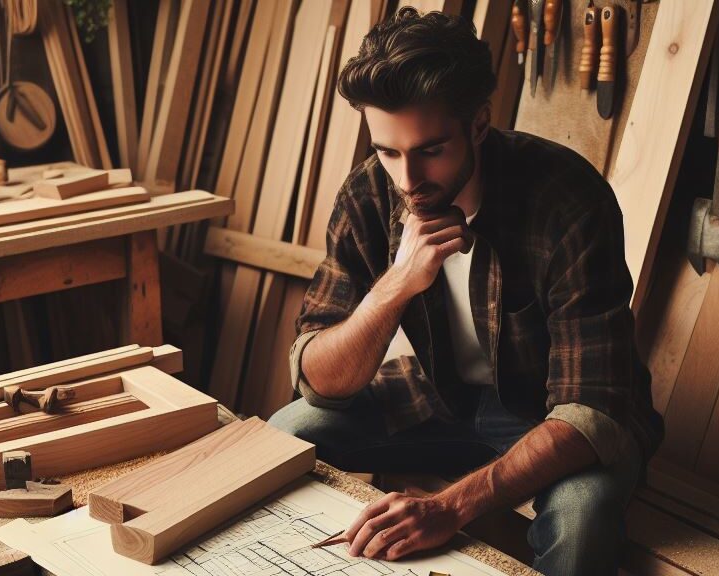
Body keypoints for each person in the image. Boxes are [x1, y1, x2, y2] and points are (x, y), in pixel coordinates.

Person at [268, 7, 663, 575]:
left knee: (581, 521)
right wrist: (396, 286)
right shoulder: (368, 195)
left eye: (430, 150)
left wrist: (448, 507)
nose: (407, 180)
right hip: (438, 397)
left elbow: (589, 412)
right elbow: (318, 382)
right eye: (387, 152)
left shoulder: (568, 201)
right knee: (288, 436)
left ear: (479, 123)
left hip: (550, 417)